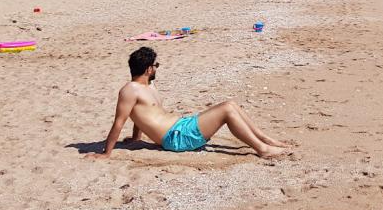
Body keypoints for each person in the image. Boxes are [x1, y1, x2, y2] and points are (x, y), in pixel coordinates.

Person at [86, 47, 290, 159]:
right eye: (156, 65)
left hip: (180, 127)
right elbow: (119, 122)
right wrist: (106, 153)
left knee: (232, 104)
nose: (157, 68)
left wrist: (135, 138)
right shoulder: (129, 90)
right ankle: (262, 149)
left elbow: (140, 116)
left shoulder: (148, 87)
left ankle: (265, 140)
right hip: (176, 138)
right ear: (148, 69)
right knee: (227, 109)